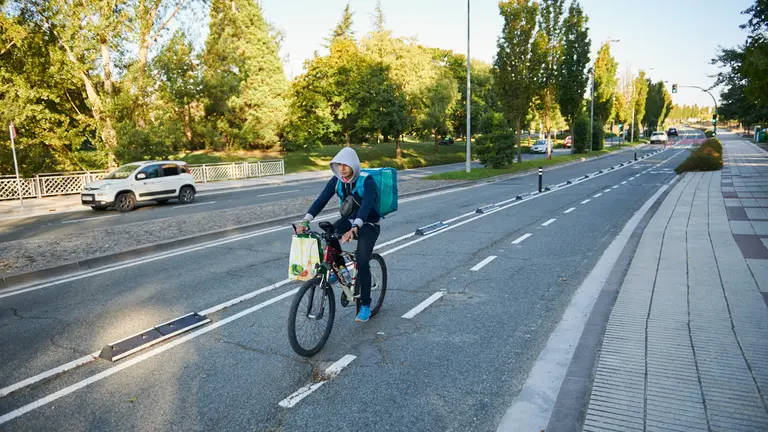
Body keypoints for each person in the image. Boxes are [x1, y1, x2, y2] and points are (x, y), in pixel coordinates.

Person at [295, 147, 381, 322]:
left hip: (368, 223)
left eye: (345, 165)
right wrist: (305, 221)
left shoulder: (367, 181)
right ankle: (342, 271)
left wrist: (355, 228)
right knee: (329, 234)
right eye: (338, 165)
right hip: (348, 220)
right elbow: (321, 200)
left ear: (354, 165)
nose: (342, 168)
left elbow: (365, 207)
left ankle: (365, 305)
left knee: (362, 261)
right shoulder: (337, 181)